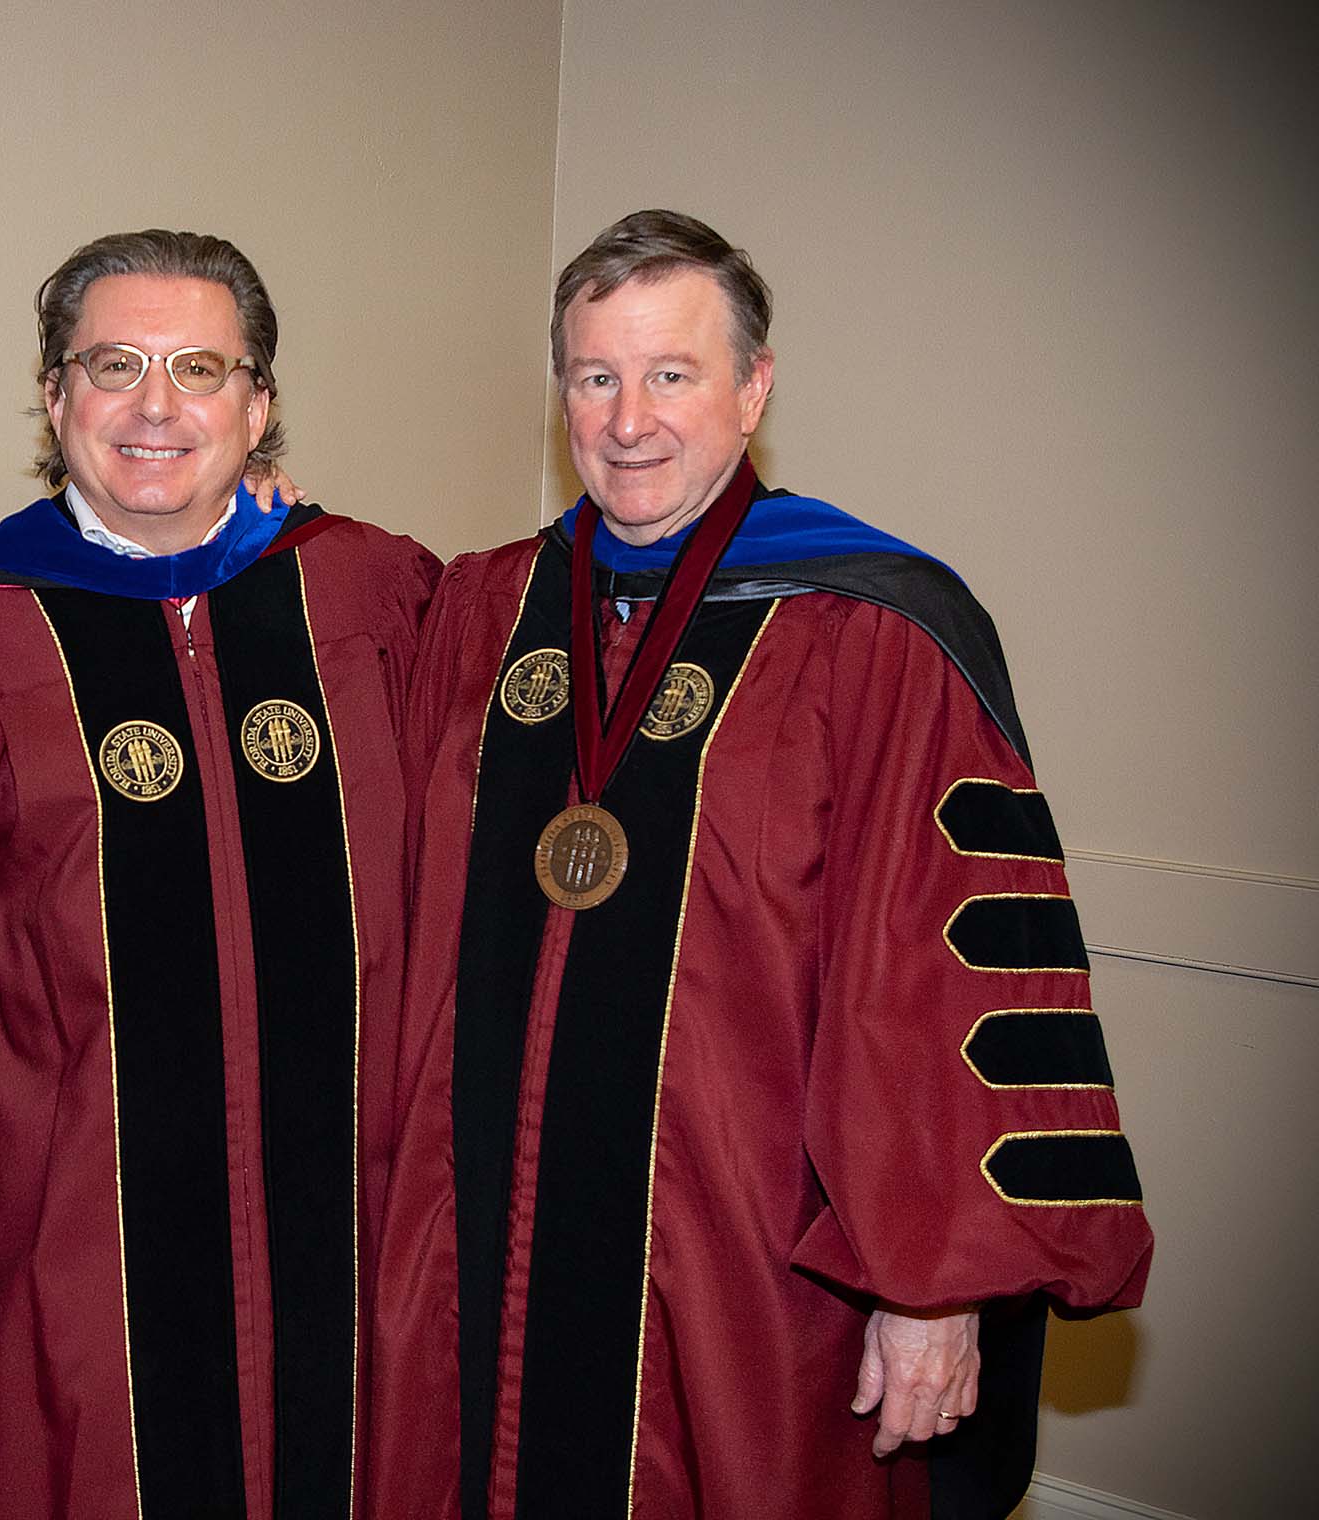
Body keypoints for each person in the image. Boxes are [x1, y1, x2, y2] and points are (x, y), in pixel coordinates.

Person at [366, 210, 1154, 1519]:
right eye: (595, 377)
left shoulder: (875, 632)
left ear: (755, 386)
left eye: (671, 373)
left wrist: (933, 1286)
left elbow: (943, 973)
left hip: (748, 1275)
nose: (629, 420)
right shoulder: (486, 610)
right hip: (484, 1258)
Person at [0, 229, 440, 1520]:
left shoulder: (375, 594)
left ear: (260, 403)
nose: (155, 406)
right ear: (54, 395)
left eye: (200, 368)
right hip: (84, 1245)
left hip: (358, 1229)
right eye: (114, 364)